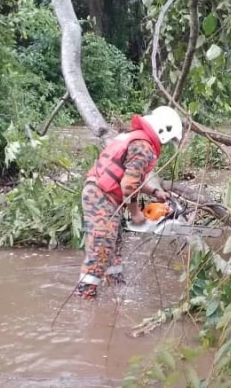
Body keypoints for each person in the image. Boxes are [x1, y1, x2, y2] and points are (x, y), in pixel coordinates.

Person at [76, 106, 184, 299]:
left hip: (103, 194)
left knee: (114, 245)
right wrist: (136, 213)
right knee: (101, 249)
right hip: (102, 197)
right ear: (164, 130)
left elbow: (128, 176)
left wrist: (154, 191)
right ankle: (85, 296)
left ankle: (116, 286)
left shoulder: (136, 138)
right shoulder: (144, 146)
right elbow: (128, 186)